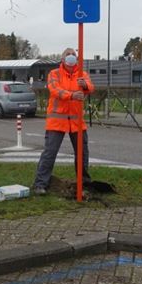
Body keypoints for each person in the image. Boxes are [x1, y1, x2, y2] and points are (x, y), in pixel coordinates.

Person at [33, 47, 94, 195]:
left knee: (82, 153)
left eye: (73, 54)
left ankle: (83, 182)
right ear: (62, 59)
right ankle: (40, 184)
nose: (71, 57)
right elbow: (55, 90)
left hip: (77, 122)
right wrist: (72, 95)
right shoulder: (54, 74)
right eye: (68, 54)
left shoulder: (82, 74)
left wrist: (85, 85)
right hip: (57, 121)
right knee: (50, 153)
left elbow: (90, 87)